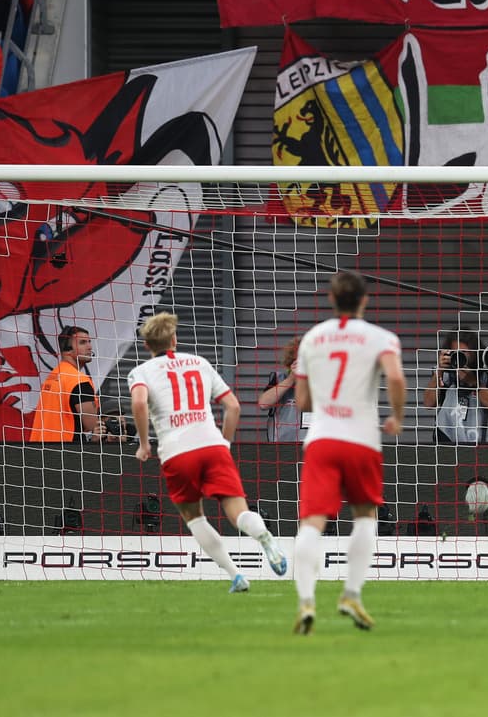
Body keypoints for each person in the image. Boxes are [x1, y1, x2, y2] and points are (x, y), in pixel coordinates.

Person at [129, 312, 287, 591]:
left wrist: (144, 444)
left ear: (147, 346)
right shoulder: (200, 363)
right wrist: (224, 443)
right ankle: (264, 536)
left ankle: (236, 575)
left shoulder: (140, 372)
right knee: (237, 510)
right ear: (174, 339)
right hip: (212, 445)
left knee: (195, 517)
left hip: (177, 452)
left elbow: (140, 404)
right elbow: (234, 406)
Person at [291, 270, 404, 635]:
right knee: (365, 516)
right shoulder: (380, 338)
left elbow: (303, 401)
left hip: (322, 438)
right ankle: (351, 593)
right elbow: (396, 378)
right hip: (361, 439)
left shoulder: (312, 339)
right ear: (364, 300)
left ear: (331, 299)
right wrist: (397, 416)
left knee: (312, 522)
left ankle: (307, 601)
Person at [28, 325, 124, 443]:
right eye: (83, 343)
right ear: (67, 350)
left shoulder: (52, 376)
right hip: (66, 449)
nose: (89, 347)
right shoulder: (79, 380)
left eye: (89, 342)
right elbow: (91, 425)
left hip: (39, 446)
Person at [422, 330, 488, 444]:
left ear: (474, 352)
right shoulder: (445, 374)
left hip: (482, 445)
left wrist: (474, 383)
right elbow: (429, 404)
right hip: (446, 443)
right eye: (456, 353)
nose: (460, 357)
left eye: (464, 352)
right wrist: (439, 370)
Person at [258, 335, 304, 442]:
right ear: (291, 362)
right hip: (282, 446)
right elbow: (263, 404)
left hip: (313, 446)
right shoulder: (280, 379)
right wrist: (291, 378)